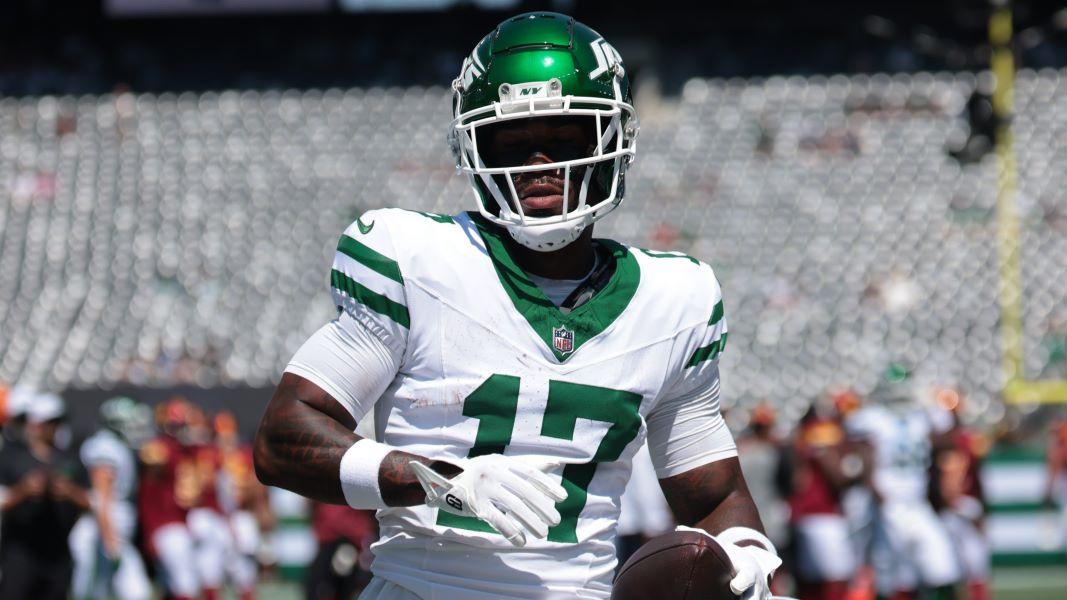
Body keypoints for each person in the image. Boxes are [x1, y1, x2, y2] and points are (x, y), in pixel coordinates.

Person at [254, 11, 781, 600]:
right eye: (513, 141)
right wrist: (440, 482)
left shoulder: (676, 300)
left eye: (565, 139)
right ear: (474, 147)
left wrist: (748, 555)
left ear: (613, 143)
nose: (538, 164)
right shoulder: (414, 260)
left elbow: (713, 497)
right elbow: (283, 439)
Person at [843, 366, 960, 600]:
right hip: (888, 505)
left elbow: (948, 438)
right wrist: (878, 494)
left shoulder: (922, 416)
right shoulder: (873, 418)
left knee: (943, 565)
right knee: (890, 573)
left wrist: (930, 405)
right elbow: (865, 458)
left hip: (917, 503)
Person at [0, 391, 90, 600]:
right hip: (20, 551)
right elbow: (3, 501)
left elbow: (92, 501)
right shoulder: (12, 458)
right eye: (49, 422)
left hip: (58, 551)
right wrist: (24, 490)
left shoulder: (70, 459)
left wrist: (69, 491)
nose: (53, 428)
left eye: (56, 422)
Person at [69, 396, 153, 600]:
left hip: (111, 532)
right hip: (100, 531)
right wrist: (110, 540)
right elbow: (101, 498)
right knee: (95, 592)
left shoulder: (114, 445)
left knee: (133, 591)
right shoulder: (105, 447)